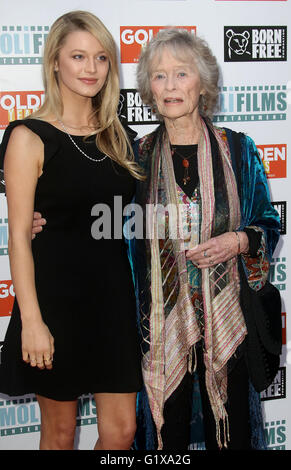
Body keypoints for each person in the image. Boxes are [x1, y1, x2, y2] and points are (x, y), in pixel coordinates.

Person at [130, 29, 280, 450]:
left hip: (228, 322)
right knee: (168, 434)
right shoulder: (136, 158)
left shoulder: (238, 149)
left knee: (230, 431)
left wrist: (236, 241)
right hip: (161, 327)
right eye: (159, 77)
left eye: (182, 73)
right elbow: (104, 225)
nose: (171, 86)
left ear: (203, 85)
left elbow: (268, 223)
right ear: (149, 90)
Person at [0, 11, 143, 450]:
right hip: (55, 304)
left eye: (101, 58)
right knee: (59, 435)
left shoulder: (121, 137)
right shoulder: (29, 136)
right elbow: (19, 237)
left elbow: (135, 217)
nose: (91, 68)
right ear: (55, 62)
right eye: (78, 56)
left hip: (115, 302)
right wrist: (32, 323)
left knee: (122, 434)